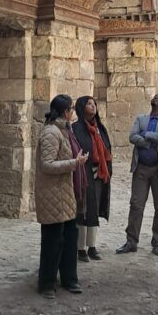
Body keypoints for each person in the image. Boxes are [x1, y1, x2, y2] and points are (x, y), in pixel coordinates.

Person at [35, 94, 89, 299]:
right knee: (52, 241)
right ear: (65, 111)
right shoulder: (51, 133)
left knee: (69, 239)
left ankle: (69, 278)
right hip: (52, 194)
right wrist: (75, 164)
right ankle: (47, 283)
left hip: (64, 193)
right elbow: (47, 164)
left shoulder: (64, 131)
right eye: (71, 109)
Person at [116, 93, 158, 257]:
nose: (157, 98)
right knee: (136, 205)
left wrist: (146, 134)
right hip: (141, 168)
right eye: (156, 97)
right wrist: (148, 141)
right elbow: (132, 137)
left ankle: (157, 242)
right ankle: (131, 241)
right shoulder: (141, 118)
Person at [72, 95, 112, 262]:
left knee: (94, 209)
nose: (93, 106)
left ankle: (92, 246)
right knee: (82, 209)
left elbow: (107, 150)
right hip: (83, 174)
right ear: (82, 107)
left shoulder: (100, 128)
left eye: (94, 103)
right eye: (89, 104)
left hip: (98, 174)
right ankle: (80, 248)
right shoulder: (75, 128)